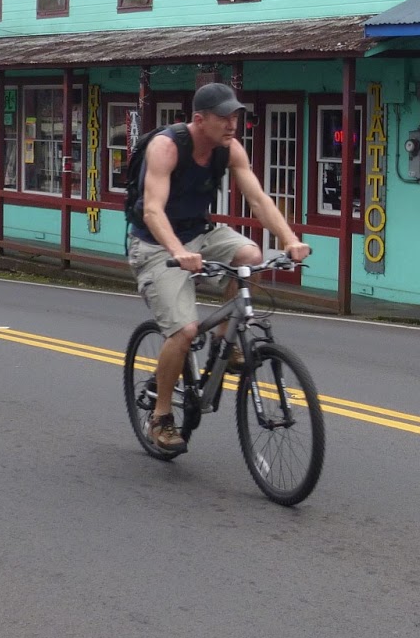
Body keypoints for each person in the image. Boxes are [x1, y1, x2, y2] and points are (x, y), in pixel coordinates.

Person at [128, 82, 310, 454]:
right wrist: (179, 252)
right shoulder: (166, 147)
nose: (232, 124)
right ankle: (161, 417)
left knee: (251, 255)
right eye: (224, 117)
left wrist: (290, 239)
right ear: (200, 119)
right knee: (183, 332)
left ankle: (224, 337)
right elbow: (152, 210)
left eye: (235, 117)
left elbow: (258, 199)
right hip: (155, 243)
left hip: (201, 231)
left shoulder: (228, 149)